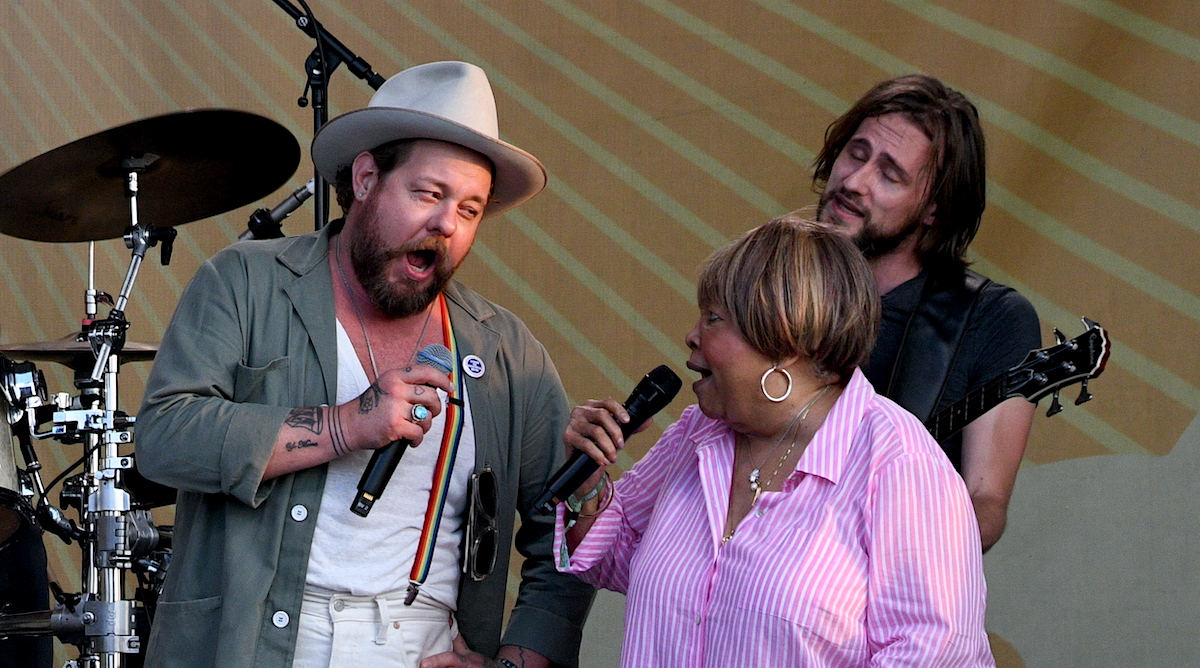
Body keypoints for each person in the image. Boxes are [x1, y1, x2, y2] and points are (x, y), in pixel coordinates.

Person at [137, 61, 593, 668]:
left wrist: (514, 663)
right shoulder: (245, 280)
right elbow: (164, 439)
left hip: (422, 642)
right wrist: (346, 425)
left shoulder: (505, 349)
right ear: (366, 176)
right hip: (259, 643)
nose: (446, 225)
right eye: (429, 194)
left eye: (470, 209)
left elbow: (561, 538)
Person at [556, 216, 994, 666]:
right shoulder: (695, 434)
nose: (691, 335)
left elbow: (938, 653)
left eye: (713, 318)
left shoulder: (901, 461)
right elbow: (616, 554)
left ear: (783, 337)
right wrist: (588, 486)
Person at [812, 74, 1041, 551]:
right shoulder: (777, 286)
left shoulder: (988, 319)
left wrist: (902, 548)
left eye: (890, 174)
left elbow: (985, 501)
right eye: (856, 154)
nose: (854, 182)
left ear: (934, 208)